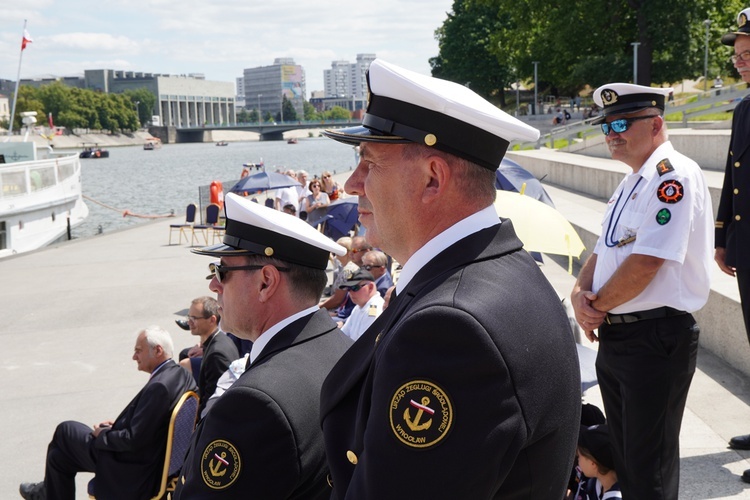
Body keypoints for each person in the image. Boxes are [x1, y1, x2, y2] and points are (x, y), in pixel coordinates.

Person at [320, 58, 581, 499]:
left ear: (432, 178)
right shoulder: (494, 273)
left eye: (368, 164)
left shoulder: (450, 330)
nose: (351, 184)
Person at [570, 83, 712, 499]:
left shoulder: (673, 177)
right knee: (625, 458)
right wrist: (581, 294)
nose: (611, 133)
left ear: (656, 124)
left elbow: (648, 261)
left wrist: (595, 308)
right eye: (606, 125)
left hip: (655, 337)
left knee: (649, 466)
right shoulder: (632, 182)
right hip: (620, 335)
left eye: (621, 123)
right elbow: (604, 250)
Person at [173, 193, 353, 499]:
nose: (213, 285)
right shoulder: (344, 348)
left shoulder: (254, 403)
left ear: (266, 282)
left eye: (222, 272)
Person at [19, 327, 196, 500]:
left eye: (138, 351)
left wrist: (104, 434)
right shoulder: (181, 374)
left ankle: (45, 490)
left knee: (64, 431)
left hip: (130, 466)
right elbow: (150, 424)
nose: (134, 357)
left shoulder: (159, 387)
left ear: (158, 350)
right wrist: (118, 426)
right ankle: (46, 490)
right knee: (58, 458)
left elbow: (133, 440)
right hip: (148, 458)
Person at [716, 8, 750, 473]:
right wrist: (723, 236)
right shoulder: (744, 108)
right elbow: (733, 175)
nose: (739, 61)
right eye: (739, 55)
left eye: (746, 53)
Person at [178, 296, 238, 417]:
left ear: (212, 320)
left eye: (194, 318)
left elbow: (214, 401)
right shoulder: (216, 342)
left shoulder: (217, 354)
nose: (189, 322)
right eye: (189, 317)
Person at [574, 424, 621, 500]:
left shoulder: (616, 497)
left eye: (579, 456)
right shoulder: (593, 479)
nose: (578, 459)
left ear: (593, 464)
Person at [337, 269, 384, 341]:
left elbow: (362, 344)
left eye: (355, 288)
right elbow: (344, 333)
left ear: (370, 287)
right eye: (348, 289)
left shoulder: (373, 310)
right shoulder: (359, 306)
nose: (351, 293)